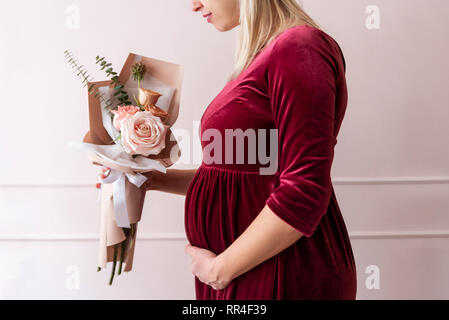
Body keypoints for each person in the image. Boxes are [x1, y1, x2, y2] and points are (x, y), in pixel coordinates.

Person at [97, 0, 357, 299]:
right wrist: (152, 178)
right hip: (246, 268)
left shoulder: (300, 48)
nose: (194, 6)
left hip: (281, 270)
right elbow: (243, 177)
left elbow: (304, 191)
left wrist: (219, 271)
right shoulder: (271, 53)